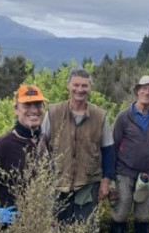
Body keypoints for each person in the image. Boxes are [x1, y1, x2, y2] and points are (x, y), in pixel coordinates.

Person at [41, 69, 115, 225]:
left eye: (84, 85)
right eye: (76, 85)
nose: (80, 90)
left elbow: (108, 151)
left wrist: (106, 182)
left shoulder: (100, 116)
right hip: (58, 182)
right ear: (68, 86)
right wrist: (42, 179)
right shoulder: (53, 112)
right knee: (57, 227)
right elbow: (41, 148)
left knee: (85, 227)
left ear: (90, 88)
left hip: (88, 183)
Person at [0, 84, 49, 228]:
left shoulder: (46, 141)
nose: (34, 110)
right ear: (16, 109)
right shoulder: (1, 147)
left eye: (38, 104)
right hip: (14, 227)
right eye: (27, 104)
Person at [110, 75, 149, 233]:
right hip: (124, 172)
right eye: (144, 89)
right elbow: (113, 147)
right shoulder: (123, 117)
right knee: (120, 213)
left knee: (143, 217)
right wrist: (109, 179)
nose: (147, 93)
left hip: (148, 174)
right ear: (137, 91)